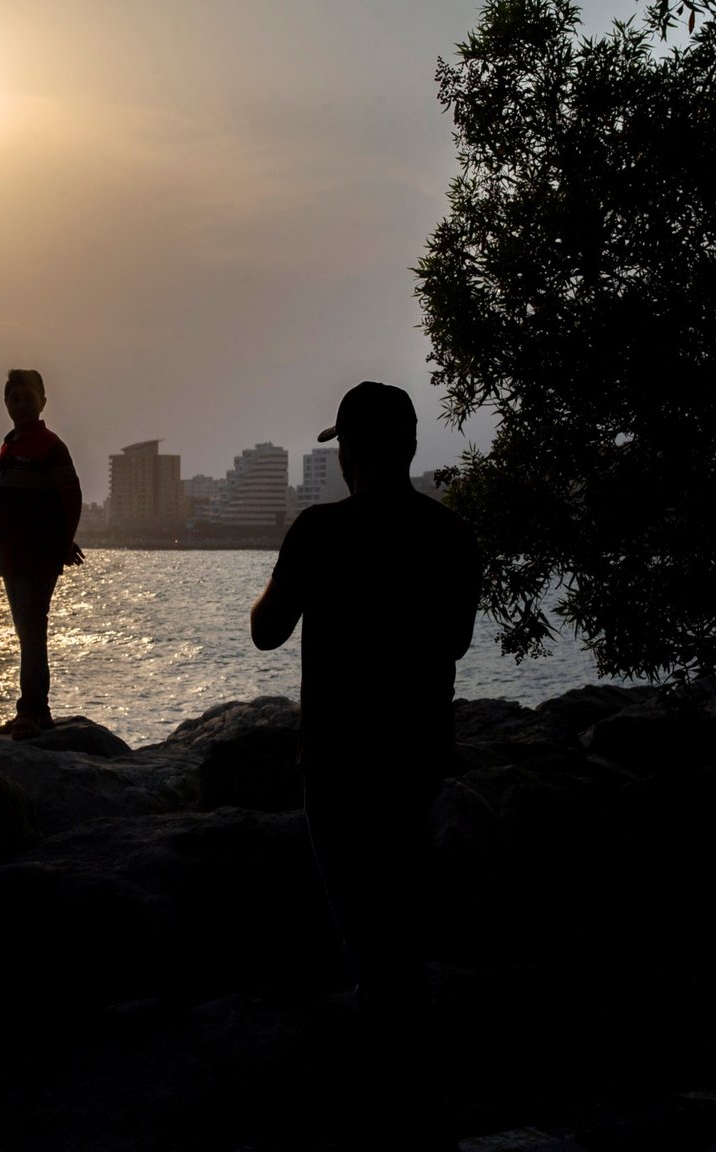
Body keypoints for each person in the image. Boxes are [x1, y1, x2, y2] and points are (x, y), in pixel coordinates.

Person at [250, 381, 481, 1147]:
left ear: (349, 454)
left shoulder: (318, 532)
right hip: (417, 762)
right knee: (400, 931)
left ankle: (393, 1105)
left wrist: (288, 583)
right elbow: (452, 642)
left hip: (339, 765)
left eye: (342, 447)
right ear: (411, 448)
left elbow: (267, 632)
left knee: (365, 936)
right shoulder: (452, 537)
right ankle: (415, 1095)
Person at [0, 369, 84, 739]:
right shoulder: (8, 445)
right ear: (6, 404)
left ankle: (29, 712)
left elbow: (72, 495)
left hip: (38, 556)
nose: (21, 405)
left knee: (32, 635)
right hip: (12, 557)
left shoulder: (50, 446)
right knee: (25, 635)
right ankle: (38, 711)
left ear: (42, 402)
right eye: (14, 398)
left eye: (28, 398)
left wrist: (64, 541)